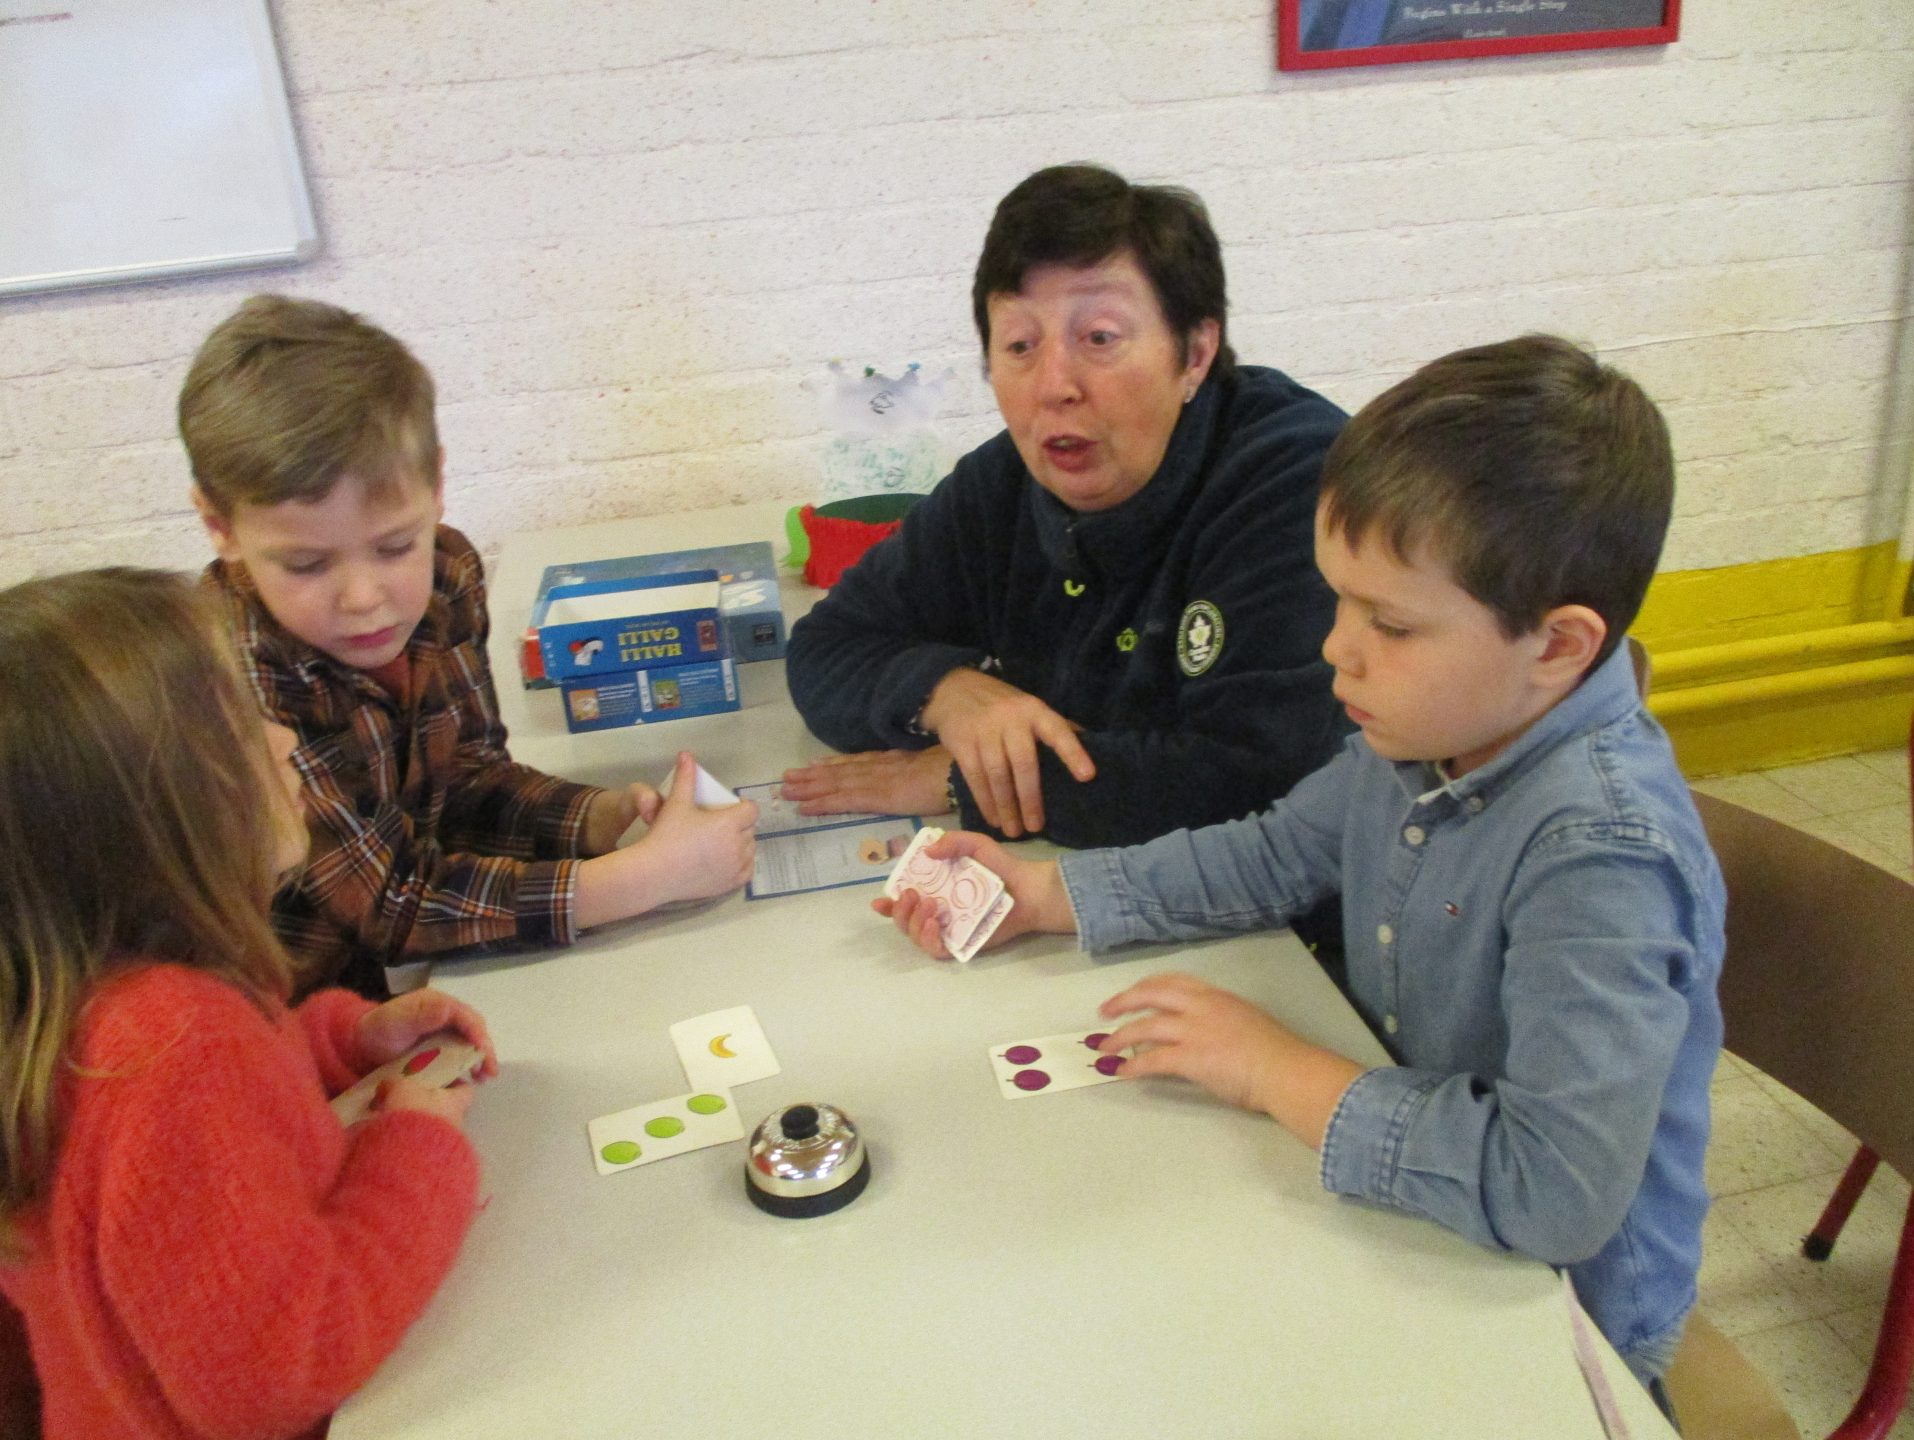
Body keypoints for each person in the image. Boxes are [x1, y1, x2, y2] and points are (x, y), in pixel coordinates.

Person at [878, 335, 1724, 1409]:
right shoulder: (1434, 724)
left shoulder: (1602, 858)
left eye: (1391, 624)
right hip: (1412, 1212)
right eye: (1339, 602)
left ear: (1557, 646)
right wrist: (1048, 896)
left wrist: (1275, 1070)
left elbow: (1549, 1191)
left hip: (1560, 1327)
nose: (1337, 650)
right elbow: (1276, 850)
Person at [0, 568, 498, 1440]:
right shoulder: (172, 1045)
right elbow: (282, 1367)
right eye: (240, 729)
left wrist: (348, 1041)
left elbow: (214, 1131)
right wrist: (416, 1145)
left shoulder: (93, 999)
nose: (282, 741)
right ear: (156, 817)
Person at [181, 295, 758, 999]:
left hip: (366, 1005)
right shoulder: (231, 674)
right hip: (274, 1012)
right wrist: (640, 878)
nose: (364, 598)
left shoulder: (447, 575)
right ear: (221, 527)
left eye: (395, 546)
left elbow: (464, 782)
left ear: (437, 485)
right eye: (306, 565)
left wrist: (600, 821)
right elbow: (388, 905)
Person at [782, 163, 1349, 849]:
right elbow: (825, 647)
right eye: (1020, 345)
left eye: (1099, 338)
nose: (1054, 386)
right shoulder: (1004, 483)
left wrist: (972, 779)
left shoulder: (1295, 479)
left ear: (1196, 353)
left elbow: (1258, 778)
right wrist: (949, 694)